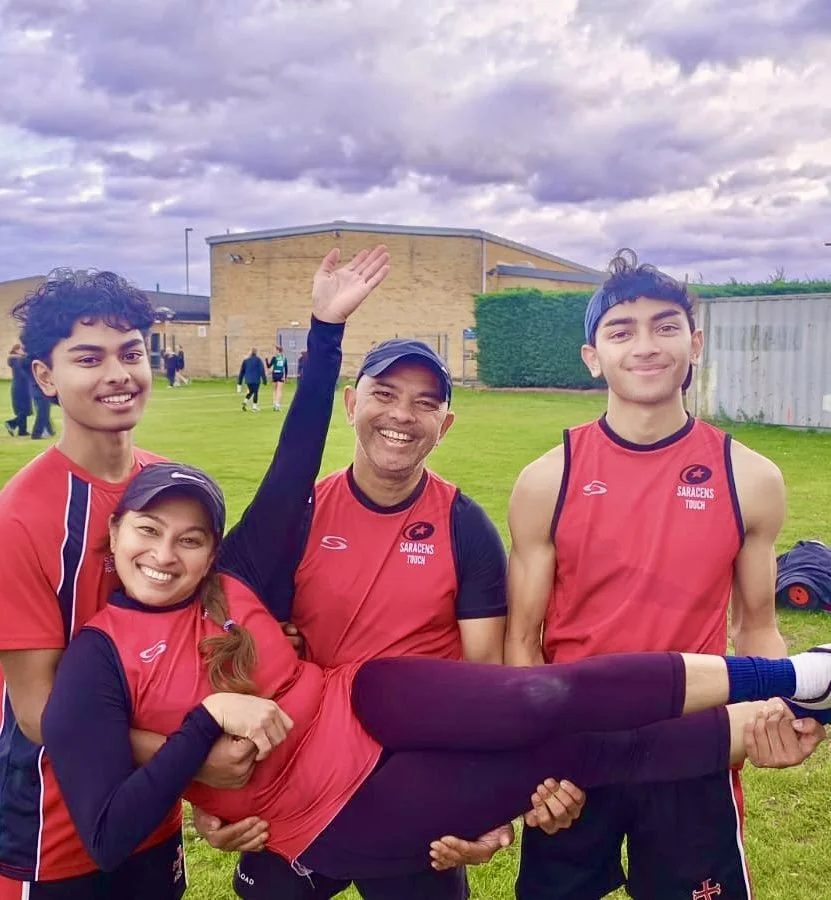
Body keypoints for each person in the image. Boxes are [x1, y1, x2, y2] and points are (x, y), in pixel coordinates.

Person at [39, 254, 827, 891]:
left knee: (552, 712)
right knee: (568, 750)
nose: (167, 554)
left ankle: (806, 683)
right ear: (115, 532)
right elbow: (108, 798)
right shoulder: (100, 655)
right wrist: (205, 743)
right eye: (149, 532)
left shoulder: (245, 574)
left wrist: (322, 331)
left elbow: (499, 680)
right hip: (310, 797)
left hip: (372, 700)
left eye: (191, 537)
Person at [504, 248, 825, 900]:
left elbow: (757, 628)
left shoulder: (750, 478)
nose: (644, 346)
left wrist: (781, 715)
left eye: (664, 325)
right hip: (577, 755)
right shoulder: (546, 479)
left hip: (693, 747)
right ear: (592, 355)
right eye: (621, 331)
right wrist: (534, 763)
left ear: (694, 341)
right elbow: (522, 644)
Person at [220, 337, 568, 900]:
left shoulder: (464, 526)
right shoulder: (301, 515)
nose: (403, 415)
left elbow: (484, 683)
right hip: (308, 774)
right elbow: (241, 647)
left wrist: (487, 806)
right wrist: (221, 794)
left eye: (425, 403)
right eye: (384, 393)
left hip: (418, 777)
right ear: (351, 404)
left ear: (445, 424)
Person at [0, 269, 266, 899]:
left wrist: (194, 785)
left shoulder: (167, 487)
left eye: (131, 353)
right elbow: (40, 714)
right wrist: (193, 756)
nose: (118, 374)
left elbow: (188, 647)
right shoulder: (20, 517)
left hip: (150, 812)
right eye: (88, 358)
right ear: (44, 377)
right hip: (55, 825)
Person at [5, 342, 31, 436]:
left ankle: (22, 431)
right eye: (22, 349)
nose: (24, 351)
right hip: (20, 387)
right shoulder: (16, 360)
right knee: (23, 409)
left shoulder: (19, 360)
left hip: (22, 386)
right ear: (16, 350)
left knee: (24, 409)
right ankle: (11, 423)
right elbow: (21, 374)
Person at [30, 374, 56, 440]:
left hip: (38, 391)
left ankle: (49, 430)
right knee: (43, 413)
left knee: (44, 411)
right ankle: (36, 433)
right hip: (41, 392)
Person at [267, 345, 288, 410]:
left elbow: (268, 366)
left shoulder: (274, 358)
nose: (275, 351)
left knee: (275, 390)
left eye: (276, 350)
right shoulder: (284, 358)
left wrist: (266, 360)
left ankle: (274, 404)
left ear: (278, 350)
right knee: (279, 390)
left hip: (274, 374)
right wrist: (285, 377)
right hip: (280, 374)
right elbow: (286, 368)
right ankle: (277, 404)